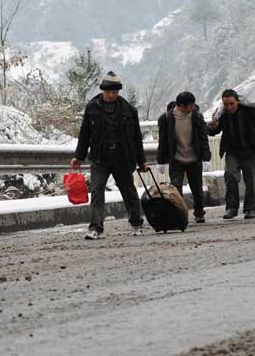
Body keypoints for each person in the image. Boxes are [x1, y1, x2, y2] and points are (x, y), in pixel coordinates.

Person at [71, 71, 148, 240]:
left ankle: (136, 224)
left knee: (129, 192)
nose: (112, 95)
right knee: (97, 192)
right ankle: (95, 228)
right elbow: (85, 133)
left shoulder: (129, 110)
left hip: (122, 157)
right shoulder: (92, 107)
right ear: (103, 91)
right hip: (100, 157)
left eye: (115, 92)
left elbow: (137, 138)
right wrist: (79, 156)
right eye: (109, 92)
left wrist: (142, 161)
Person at [208, 89, 255, 220]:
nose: (229, 107)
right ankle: (231, 208)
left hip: (250, 152)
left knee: (251, 181)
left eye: (232, 103)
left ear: (237, 101)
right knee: (230, 175)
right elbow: (213, 130)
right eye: (226, 104)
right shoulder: (221, 114)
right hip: (232, 152)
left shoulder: (250, 112)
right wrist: (212, 128)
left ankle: (250, 209)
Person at [156, 91, 211, 224]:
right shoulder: (166, 118)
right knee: (176, 189)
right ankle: (179, 216)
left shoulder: (197, 117)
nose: (193, 107)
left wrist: (206, 158)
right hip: (176, 160)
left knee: (197, 189)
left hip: (194, 159)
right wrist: (160, 161)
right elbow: (163, 140)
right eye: (190, 105)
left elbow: (203, 138)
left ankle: (199, 213)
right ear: (181, 106)